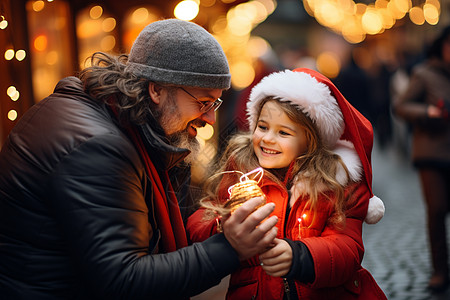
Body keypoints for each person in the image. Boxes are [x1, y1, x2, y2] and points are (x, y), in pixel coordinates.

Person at [0, 19, 279, 299]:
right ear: (156, 90)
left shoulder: (114, 119)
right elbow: (125, 280)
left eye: (215, 104)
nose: (209, 118)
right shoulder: (99, 148)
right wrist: (229, 247)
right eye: (203, 103)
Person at [187, 68, 387, 299]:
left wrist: (300, 256)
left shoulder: (336, 184)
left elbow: (347, 248)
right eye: (262, 127)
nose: (268, 138)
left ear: (310, 140)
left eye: (283, 132)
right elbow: (202, 217)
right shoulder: (241, 168)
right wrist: (223, 226)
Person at [392, 25, 450, 293]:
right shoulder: (424, 73)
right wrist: (427, 112)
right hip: (432, 154)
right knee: (437, 210)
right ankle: (440, 270)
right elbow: (401, 106)